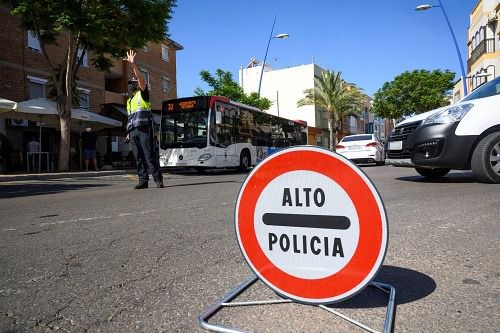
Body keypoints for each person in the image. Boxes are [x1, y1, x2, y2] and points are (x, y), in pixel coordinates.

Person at [125, 49, 163, 189]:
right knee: (138, 157)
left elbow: (141, 79)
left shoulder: (143, 94)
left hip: (145, 128)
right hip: (133, 130)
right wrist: (128, 132)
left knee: (149, 155)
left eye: (133, 82)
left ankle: (158, 180)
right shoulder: (129, 100)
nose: (131, 84)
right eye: (130, 83)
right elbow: (130, 117)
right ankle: (143, 180)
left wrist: (133, 65)